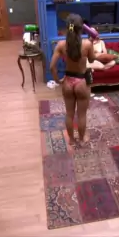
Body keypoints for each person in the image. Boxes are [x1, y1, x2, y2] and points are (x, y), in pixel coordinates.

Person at [50, 14, 95, 145]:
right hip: (81, 82)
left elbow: (52, 67)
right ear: (81, 28)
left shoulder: (61, 44)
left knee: (69, 114)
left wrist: (57, 80)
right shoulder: (87, 44)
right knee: (82, 114)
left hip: (68, 81)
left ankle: (71, 140)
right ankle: (81, 140)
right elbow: (92, 60)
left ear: (67, 27)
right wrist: (92, 43)